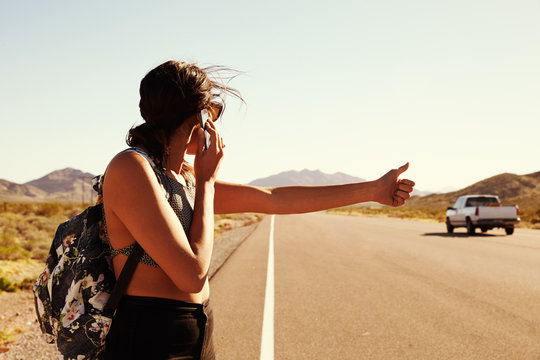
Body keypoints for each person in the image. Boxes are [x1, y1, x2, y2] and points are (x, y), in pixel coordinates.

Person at [101, 60, 415, 360]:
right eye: (214, 111)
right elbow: (192, 275)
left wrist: (372, 190)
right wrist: (208, 182)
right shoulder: (131, 168)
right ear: (200, 117)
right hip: (147, 338)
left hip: (197, 329)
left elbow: (273, 198)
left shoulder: (181, 176)